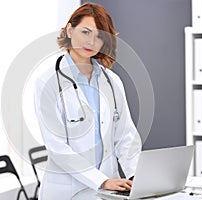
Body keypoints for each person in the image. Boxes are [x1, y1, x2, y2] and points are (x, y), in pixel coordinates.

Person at [33, 2, 142, 199]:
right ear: (69, 30)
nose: (91, 41)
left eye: (99, 36)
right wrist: (100, 180)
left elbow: (126, 136)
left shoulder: (112, 82)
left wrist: (136, 176)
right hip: (68, 191)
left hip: (108, 191)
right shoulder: (47, 81)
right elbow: (57, 147)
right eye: (85, 32)